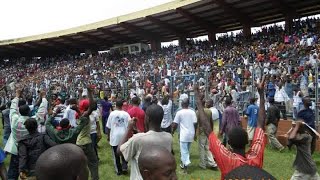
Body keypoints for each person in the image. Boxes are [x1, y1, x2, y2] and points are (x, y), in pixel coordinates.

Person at [194, 75, 267, 179]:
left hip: (228, 129)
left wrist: (197, 99)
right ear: (247, 142)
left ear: (229, 144)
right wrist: (261, 94)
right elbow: (260, 123)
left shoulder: (228, 159)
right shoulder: (255, 157)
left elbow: (207, 129)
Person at [118, 104, 173, 180]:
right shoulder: (168, 137)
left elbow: (119, 151)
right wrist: (138, 132)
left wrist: (128, 128)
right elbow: (151, 136)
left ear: (148, 119)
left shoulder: (138, 139)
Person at [5, 89, 48, 180]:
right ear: (29, 112)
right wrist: (44, 98)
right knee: (31, 175)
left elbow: (13, 108)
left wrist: (17, 96)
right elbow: (42, 111)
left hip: (17, 152)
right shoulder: (32, 121)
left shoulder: (14, 119)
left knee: (12, 175)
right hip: (31, 152)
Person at [76, 87, 99, 180]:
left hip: (79, 142)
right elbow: (92, 106)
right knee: (93, 162)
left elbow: (81, 103)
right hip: (85, 142)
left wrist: (80, 93)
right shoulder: (85, 115)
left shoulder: (79, 113)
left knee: (81, 164)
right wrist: (90, 92)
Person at [172, 98, 197, 174]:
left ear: (182, 104)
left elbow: (175, 124)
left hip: (184, 134)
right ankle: (183, 164)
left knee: (184, 152)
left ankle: (185, 170)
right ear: (188, 104)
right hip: (191, 133)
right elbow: (195, 123)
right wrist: (195, 133)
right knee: (187, 150)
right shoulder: (192, 112)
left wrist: (172, 131)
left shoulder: (179, 112)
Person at [106, 100, 130, 175]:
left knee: (116, 154)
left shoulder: (112, 114)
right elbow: (130, 124)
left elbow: (109, 127)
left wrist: (108, 136)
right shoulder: (126, 114)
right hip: (124, 135)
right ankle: (124, 166)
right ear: (122, 105)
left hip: (115, 136)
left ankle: (119, 171)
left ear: (115, 105)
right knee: (124, 152)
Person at [196, 99, 217, 170]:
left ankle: (203, 164)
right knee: (208, 147)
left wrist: (196, 133)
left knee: (201, 147)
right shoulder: (209, 111)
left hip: (202, 130)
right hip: (208, 130)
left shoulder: (198, 112)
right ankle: (212, 163)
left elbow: (196, 123)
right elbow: (211, 122)